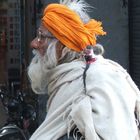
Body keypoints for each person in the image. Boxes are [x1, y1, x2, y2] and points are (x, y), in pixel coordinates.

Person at [28, 0, 140, 139]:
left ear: (62, 46)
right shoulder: (68, 79)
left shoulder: (91, 82)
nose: (34, 43)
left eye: (41, 36)